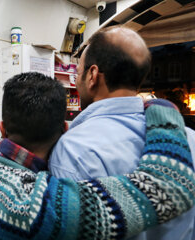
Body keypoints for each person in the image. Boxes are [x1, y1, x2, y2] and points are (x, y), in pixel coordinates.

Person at [0, 72, 195, 240]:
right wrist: (161, 107)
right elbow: (170, 188)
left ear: (3, 128)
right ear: (64, 129)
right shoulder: (41, 209)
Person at [49, 26, 195, 240]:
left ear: (93, 75)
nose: (77, 79)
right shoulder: (188, 138)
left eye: (78, 72)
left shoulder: (72, 150)